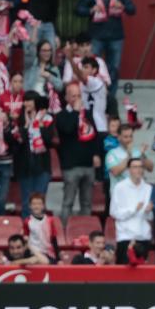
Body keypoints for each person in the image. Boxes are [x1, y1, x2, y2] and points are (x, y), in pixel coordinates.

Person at [75, 0, 136, 98]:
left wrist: (123, 6)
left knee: (113, 70)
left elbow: (133, 10)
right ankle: (91, 95)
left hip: (116, 36)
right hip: (96, 35)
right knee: (91, 66)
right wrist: (91, 10)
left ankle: (110, 99)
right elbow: (78, 9)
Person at [56, 82, 100, 223]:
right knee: (68, 202)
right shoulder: (61, 115)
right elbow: (68, 129)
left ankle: (85, 231)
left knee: (87, 203)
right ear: (67, 98)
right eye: (73, 96)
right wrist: (75, 111)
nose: (77, 99)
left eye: (79, 96)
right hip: (71, 166)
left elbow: (94, 135)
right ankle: (64, 232)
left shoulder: (87, 114)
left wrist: (96, 154)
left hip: (88, 164)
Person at [110, 158, 154, 264]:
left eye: (140, 167)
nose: (138, 170)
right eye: (135, 167)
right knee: (124, 275)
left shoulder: (149, 188)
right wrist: (134, 209)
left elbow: (150, 217)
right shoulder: (120, 187)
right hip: (125, 236)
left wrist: (149, 211)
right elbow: (114, 212)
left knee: (142, 275)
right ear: (128, 170)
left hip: (143, 237)